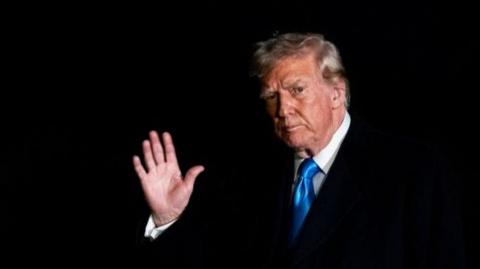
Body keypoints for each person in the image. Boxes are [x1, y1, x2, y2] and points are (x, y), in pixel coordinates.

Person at [132, 33, 465, 268]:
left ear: (337, 92)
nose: (283, 108)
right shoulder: (248, 174)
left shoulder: (413, 170)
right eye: (271, 96)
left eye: (297, 89)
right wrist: (167, 220)